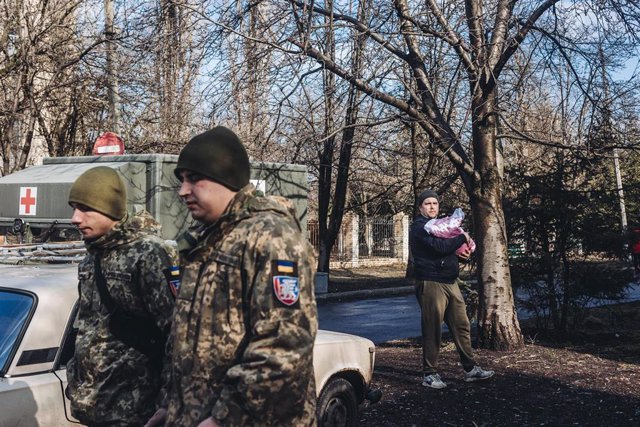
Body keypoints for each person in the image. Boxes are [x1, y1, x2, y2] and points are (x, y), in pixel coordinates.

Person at [146, 126, 318, 426]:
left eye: (194, 179)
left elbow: (284, 348)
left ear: (226, 178)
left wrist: (226, 417)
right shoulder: (205, 239)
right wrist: (170, 406)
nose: (183, 190)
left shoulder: (272, 237)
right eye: (182, 180)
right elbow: (184, 339)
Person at [65, 166, 179, 426]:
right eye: (73, 207)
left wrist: (166, 403)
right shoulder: (92, 255)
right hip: (96, 404)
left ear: (111, 209)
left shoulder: (149, 254)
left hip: (137, 410)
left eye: (85, 208)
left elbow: (176, 334)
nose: (75, 218)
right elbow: (88, 326)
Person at [409, 189, 494, 389]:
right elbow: (439, 247)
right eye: (427, 203)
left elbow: (448, 249)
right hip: (430, 282)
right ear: (421, 207)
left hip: (450, 281)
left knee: (462, 325)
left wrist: (461, 254)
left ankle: (470, 369)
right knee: (432, 329)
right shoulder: (420, 227)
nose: (432, 207)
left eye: (435, 203)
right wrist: (462, 238)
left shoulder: (441, 226)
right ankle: (429, 374)